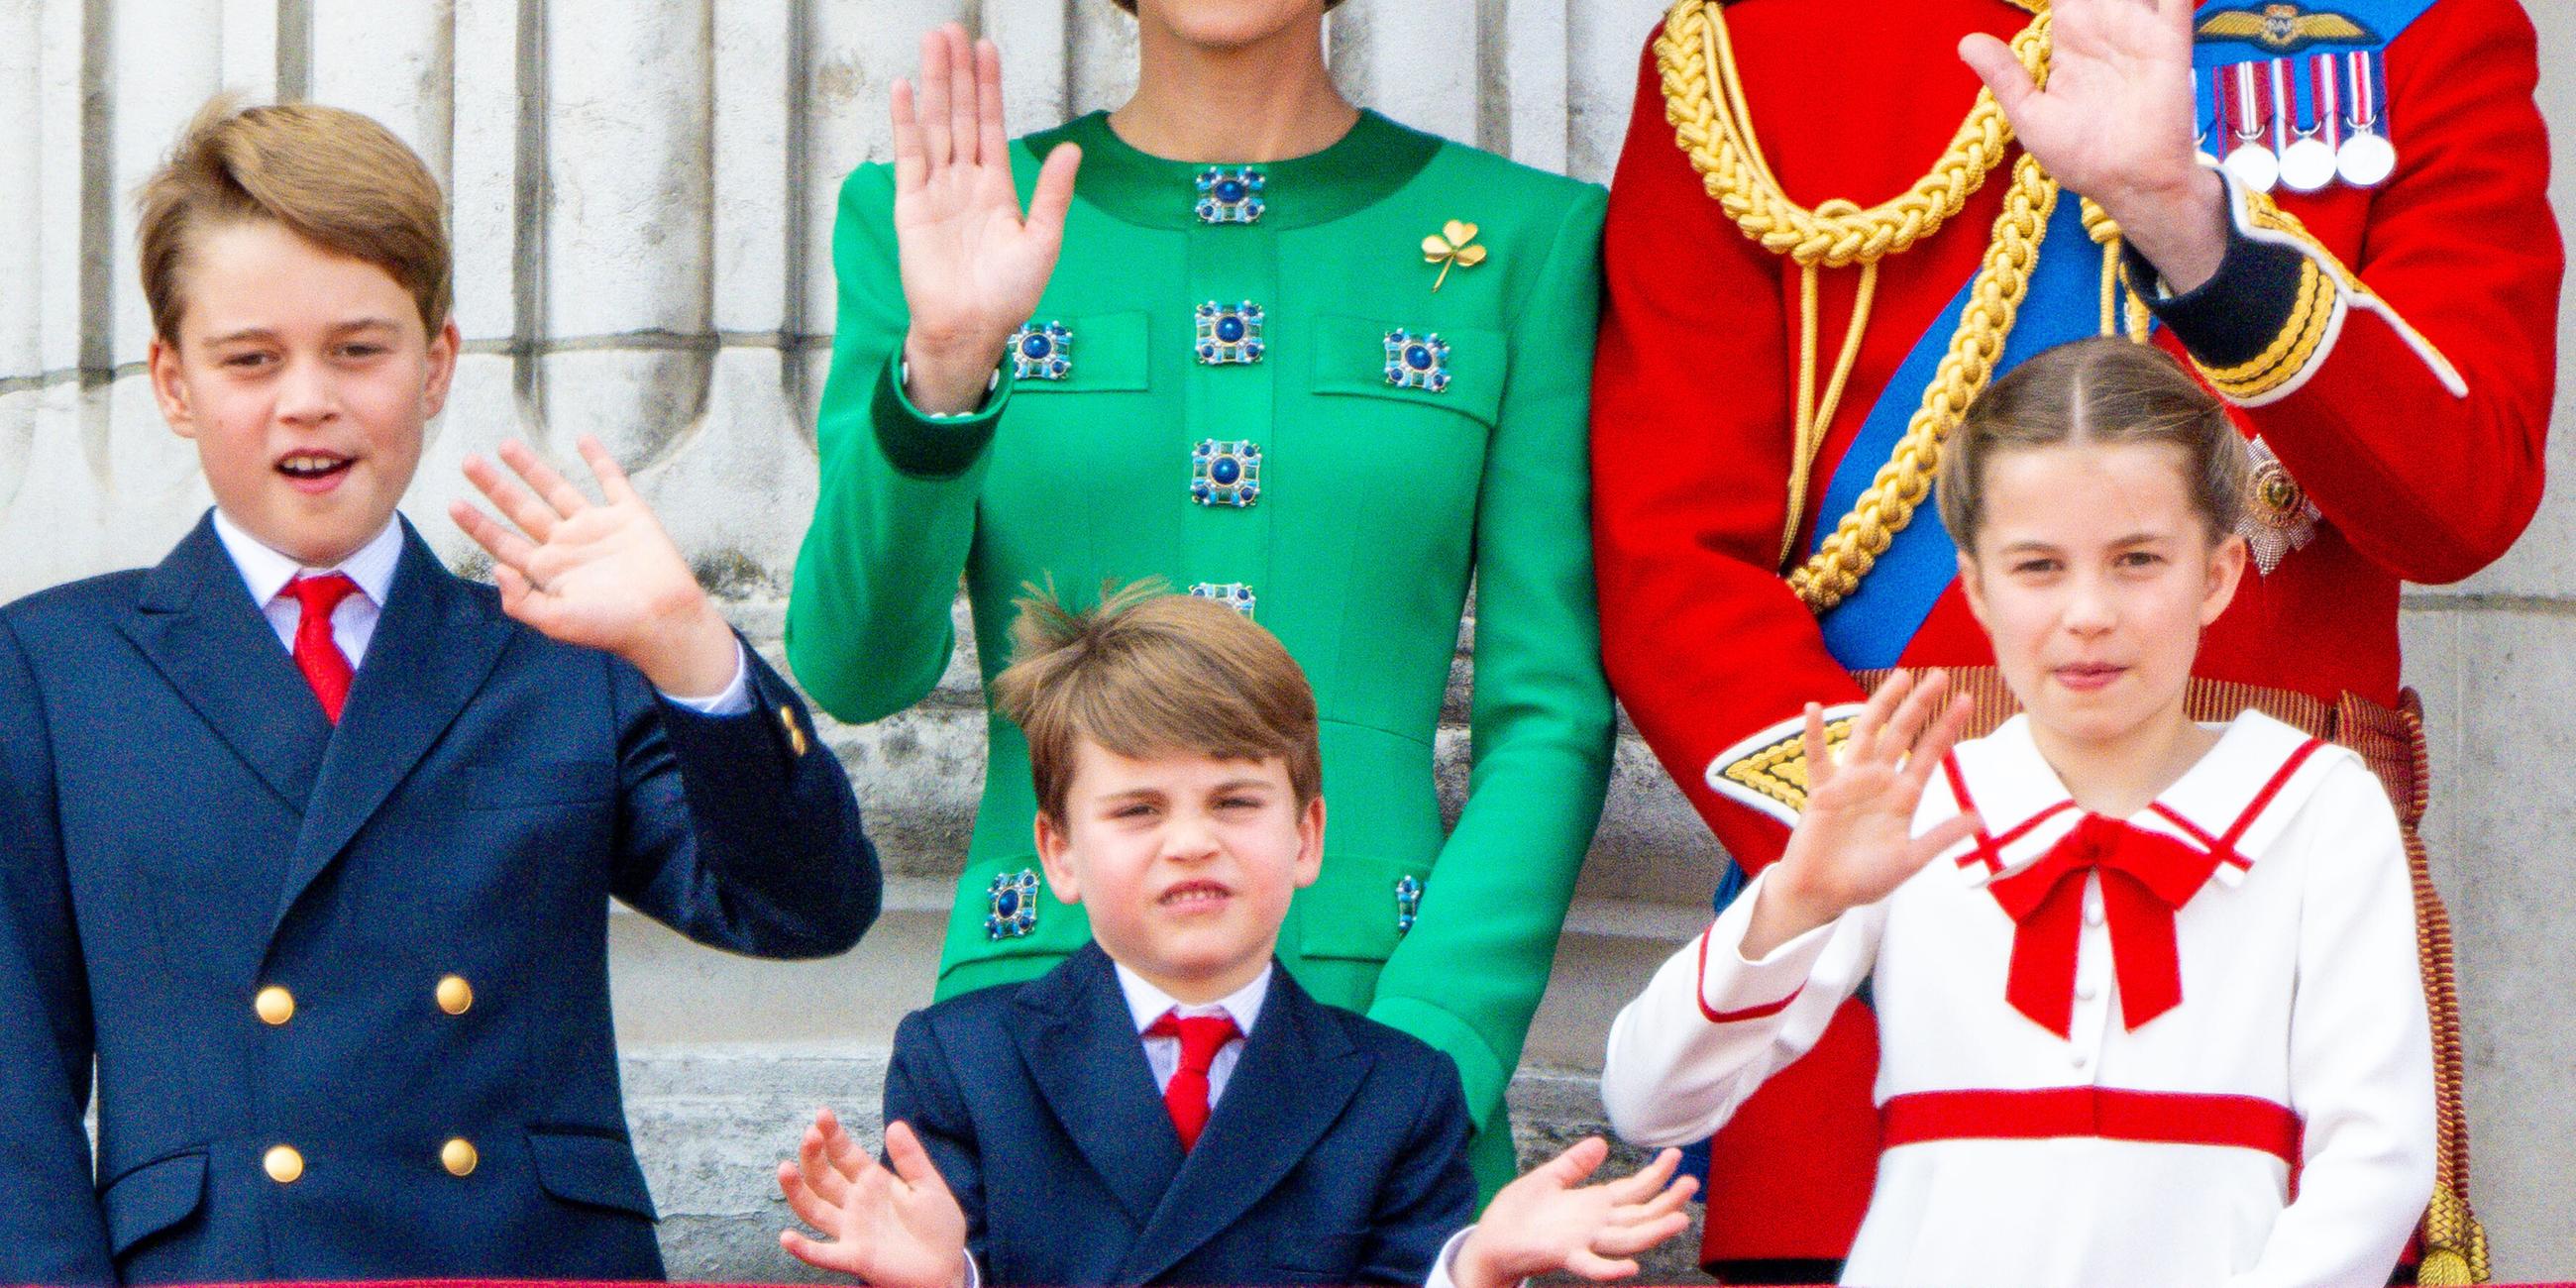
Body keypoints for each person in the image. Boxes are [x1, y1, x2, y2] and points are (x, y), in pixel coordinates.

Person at [1588, 0, 2556, 1273]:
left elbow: (2459, 498)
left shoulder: (2418, 28)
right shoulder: (1754, 46)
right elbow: (1670, 566)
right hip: (1879, 1032)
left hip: (2269, 990)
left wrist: (2200, 239)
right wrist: (1917, 867)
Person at [0, 98, 881, 1283]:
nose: (307, 397)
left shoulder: (562, 646)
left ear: (436, 365)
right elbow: (14, 1098)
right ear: (171, 383)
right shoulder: (56, 667)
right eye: (250, 358)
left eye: (358, 349)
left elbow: (805, 908)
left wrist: (686, 645)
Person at [787, 4, 1615, 1195]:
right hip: (1033, 1053)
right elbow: (858, 666)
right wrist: (946, 366)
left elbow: (1548, 714)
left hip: (1381, 1026)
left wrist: (1429, 1058)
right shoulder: (930, 213)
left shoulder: (1525, 237)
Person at [1602, 338, 2436, 1287]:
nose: (2088, 612)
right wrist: (1797, 895)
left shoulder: (2318, 806)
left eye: (2137, 561)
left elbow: (2377, 1158)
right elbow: (1650, 1097)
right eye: (2038, 567)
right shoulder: (1918, 811)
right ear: (1976, 586)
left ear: (2219, 574)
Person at [775, 584, 1689, 1287]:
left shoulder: (1398, 1092)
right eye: (1137, 810)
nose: (1191, 841)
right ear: (1057, 852)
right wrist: (949, 1279)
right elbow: (938, 1250)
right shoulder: (965, 1062)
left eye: (1235, 802)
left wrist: (1476, 1266)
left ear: (1306, 837)